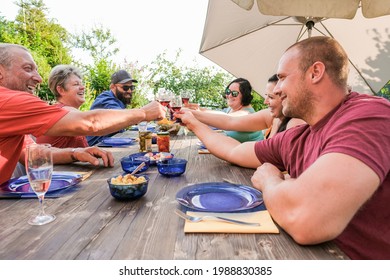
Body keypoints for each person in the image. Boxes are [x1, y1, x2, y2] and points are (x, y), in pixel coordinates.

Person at [177, 36, 390, 259]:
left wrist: (269, 179)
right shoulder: (297, 137)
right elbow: (233, 151)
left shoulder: (370, 115)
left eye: (282, 78)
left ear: (315, 72)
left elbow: (306, 218)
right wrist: (194, 123)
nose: (276, 89)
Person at [0, 43, 166, 185]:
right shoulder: (7, 100)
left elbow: (29, 152)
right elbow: (90, 123)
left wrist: (74, 153)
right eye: (28, 69)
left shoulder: (12, 112)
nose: (39, 78)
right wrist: (143, 113)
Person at [181, 74, 305, 140]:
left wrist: (193, 116)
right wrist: (197, 109)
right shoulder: (276, 119)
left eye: (234, 93)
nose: (229, 95)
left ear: (244, 96)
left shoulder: (246, 113)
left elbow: (227, 119)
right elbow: (218, 112)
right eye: (228, 92)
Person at [36, 65, 89, 148]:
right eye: (76, 84)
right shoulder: (64, 111)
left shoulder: (60, 110)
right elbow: (94, 122)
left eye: (81, 83)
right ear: (61, 90)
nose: (83, 87)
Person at [86, 69, 138, 146]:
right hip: (96, 147)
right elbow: (121, 116)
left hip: (108, 146)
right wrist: (145, 113)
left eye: (132, 87)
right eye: (125, 88)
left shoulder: (119, 100)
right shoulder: (106, 99)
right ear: (112, 87)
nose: (130, 91)